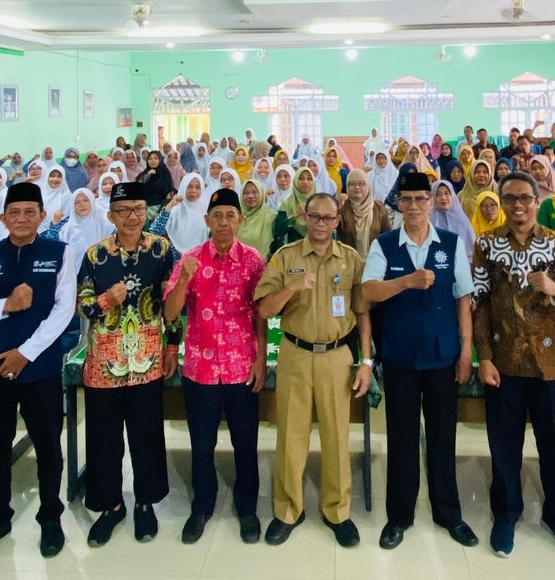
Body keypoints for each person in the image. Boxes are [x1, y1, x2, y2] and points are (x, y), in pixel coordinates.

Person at [0, 182, 78, 564]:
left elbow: (64, 311)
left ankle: (50, 518)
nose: (22, 219)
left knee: (47, 445)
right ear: (4, 217)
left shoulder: (61, 253)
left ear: (42, 216)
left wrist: (24, 353)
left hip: (38, 369)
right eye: (15, 213)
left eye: (30, 212)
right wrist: (5, 306)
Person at [471, 172, 555, 557]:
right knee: (504, 445)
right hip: (504, 363)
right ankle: (505, 515)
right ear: (502, 203)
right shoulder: (487, 244)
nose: (518, 206)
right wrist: (484, 357)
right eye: (510, 199)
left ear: (537, 202)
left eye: (525, 198)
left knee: (551, 445)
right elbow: (479, 303)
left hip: (550, 363)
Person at [361, 171, 477, 550]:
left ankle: (448, 513)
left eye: (420, 199)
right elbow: (368, 292)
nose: (413, 206)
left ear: (431, 202)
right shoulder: (385, 244)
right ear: (398, 204)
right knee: (402, 437)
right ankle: (400, 515)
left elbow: (463, 298)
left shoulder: (451, 243)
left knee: (444, 438)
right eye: (406, 199)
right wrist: (407, 281)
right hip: (400, 357)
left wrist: (466, 351)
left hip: (443, 357)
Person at [254, 191, 370, 547]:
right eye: (315, 217)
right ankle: (288, 509)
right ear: (304, 217)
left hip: (338, 356)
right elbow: (264, 310)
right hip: (296, 354)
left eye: (328, 218)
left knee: (336, 435)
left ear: (337, 221)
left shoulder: (351, 260)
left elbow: (363, 312)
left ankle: (337, 510)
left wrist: (366, 361)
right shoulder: (285, 257)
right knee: (291, 435)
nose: (321, 224)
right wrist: (289, 288)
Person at [75, 181, 180, 545]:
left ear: (146, 213)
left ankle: (145, 504)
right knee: (104, 439)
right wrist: (106, 300)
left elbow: (174, 304)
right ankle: (110, 506)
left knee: (146, 435)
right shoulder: (95, 255)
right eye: (123, 211)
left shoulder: (162, 250)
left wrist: (172, 348)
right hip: (104, 362)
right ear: (111, 216)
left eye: (138, 210)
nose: (132, 218)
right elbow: (82, 306)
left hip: (148, 359)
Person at [164, 189, 267, 545]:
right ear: (207, 221)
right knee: (202, 443)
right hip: (200, 369)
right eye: (217, 215)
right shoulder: (190, 259)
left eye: (230, 215)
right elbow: (170, 313)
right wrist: (183, 280)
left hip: (241, 367)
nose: (223, 222)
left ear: (239, 220)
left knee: (245, 441)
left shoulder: (253, 260)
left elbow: (261, 313)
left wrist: (260, 358)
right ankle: (201, 508)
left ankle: (247, 508)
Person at [337, 169, 392, 260]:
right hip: (349, 263)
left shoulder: (379, 209)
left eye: (361, 184)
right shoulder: (342, 210)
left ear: (367, 185)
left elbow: (388, 237)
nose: (357, 187)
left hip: (375, 262)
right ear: (347, 186)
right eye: (352, 184)